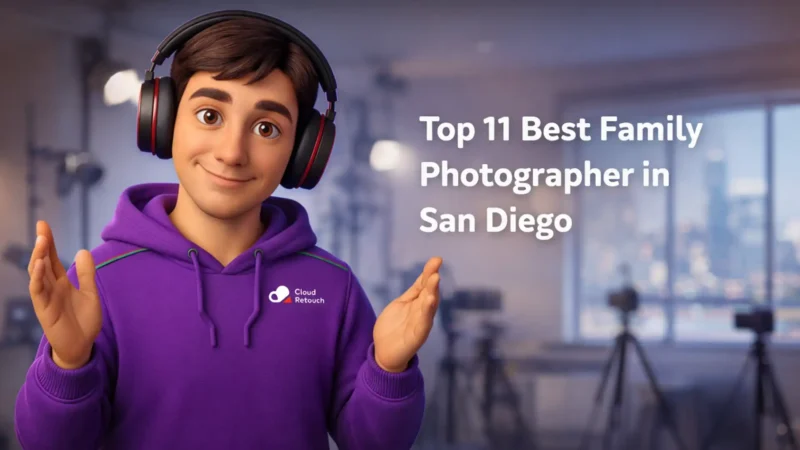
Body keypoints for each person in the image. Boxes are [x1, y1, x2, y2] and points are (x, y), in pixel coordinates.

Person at [15, 10, 441, 450]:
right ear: (163, 121)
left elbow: (371, 443)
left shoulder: (333, 286)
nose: (232, 152)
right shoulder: (98, 281)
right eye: (209, 116)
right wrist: (67, 364)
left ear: (302, 154)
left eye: (266, 128)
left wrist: (389, 368)